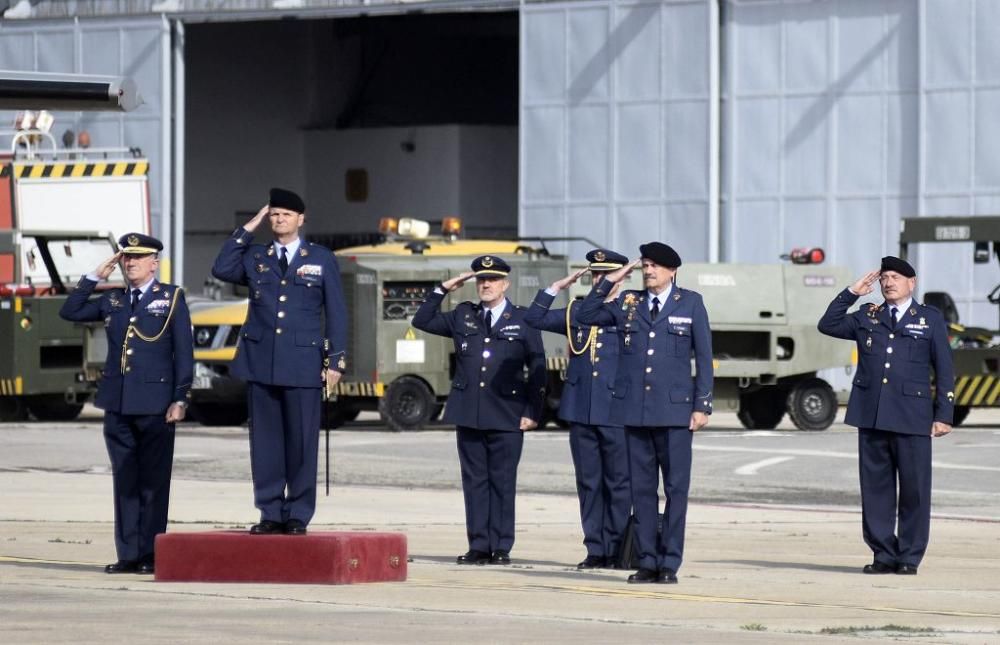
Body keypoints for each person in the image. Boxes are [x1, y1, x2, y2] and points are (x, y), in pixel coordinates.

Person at [211, 187, 348, 536]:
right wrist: (249, 226)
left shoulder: (320, 258)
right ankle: (270, 511)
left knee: (301, 442)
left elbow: (336, 312)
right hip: (262, 362)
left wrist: (335, 361)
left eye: (286, 214)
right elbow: (222, 267)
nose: (279, 219)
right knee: (266, 444)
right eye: (274, 214)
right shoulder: (256, 257)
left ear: (301, 219)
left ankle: (298, 513)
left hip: (303, 362)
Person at [575, 242, 713, 584]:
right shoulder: (627, 302)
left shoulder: (691, 303)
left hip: (676, 413)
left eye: (654, 266)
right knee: (642, 491)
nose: (648, 271)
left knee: (676, 489)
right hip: (634, 411)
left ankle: (669, 563)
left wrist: (702, 404)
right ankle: (647, 560)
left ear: (672, 271)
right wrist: (612, 280)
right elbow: (585, 314)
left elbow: (705, 358)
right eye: (645, 265)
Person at [59, 233, 193, 574]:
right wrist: (94, 277)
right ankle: (128, 553)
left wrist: (180, 398)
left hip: (155, 403)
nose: (130, 263)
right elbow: (69, 311)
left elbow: (184, 355)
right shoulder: (113, 300)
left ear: (154, 262)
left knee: (153, 483)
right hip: (117, 402)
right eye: (125, 257)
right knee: (125, 481)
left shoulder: (171, 298)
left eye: (137, 257)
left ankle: (150, 553)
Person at [818, 256, 954, 575]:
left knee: (914, 490)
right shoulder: (868, 314)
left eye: (895, 277)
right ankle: (883, 553)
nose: (888, 282)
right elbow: (828, 324)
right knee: (876, 490)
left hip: (912, 416)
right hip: (873, 414)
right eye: (884, 278)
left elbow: (945, 370)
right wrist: (852, 292)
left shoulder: (929, 319)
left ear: (912, 283)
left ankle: (909, 556)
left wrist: (944, 414)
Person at [411, 255, 546, 565]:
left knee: (502, 481)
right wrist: (443, 288)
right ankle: (479, 545)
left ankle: (501, 546)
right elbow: (421, 320)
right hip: (469, 411)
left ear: (505, 284)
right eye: (481, 279)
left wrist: (532, 411)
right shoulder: (463, 315)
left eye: (493, 279)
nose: (486, 284)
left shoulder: (523, 319)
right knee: (474, 482)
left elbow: (537, 368)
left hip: (507, 413)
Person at [523, 249, 631, 569]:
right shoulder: (577, 310)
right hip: (581, 409)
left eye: (605, 275)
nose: (599, 280)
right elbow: (534, 318)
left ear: (620, 277)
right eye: (595, 275)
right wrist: (555, 288)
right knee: (589, 483)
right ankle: (595, 548)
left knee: (618, 483)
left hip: (615, 411)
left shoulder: (629, 310)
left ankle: (616, 547)